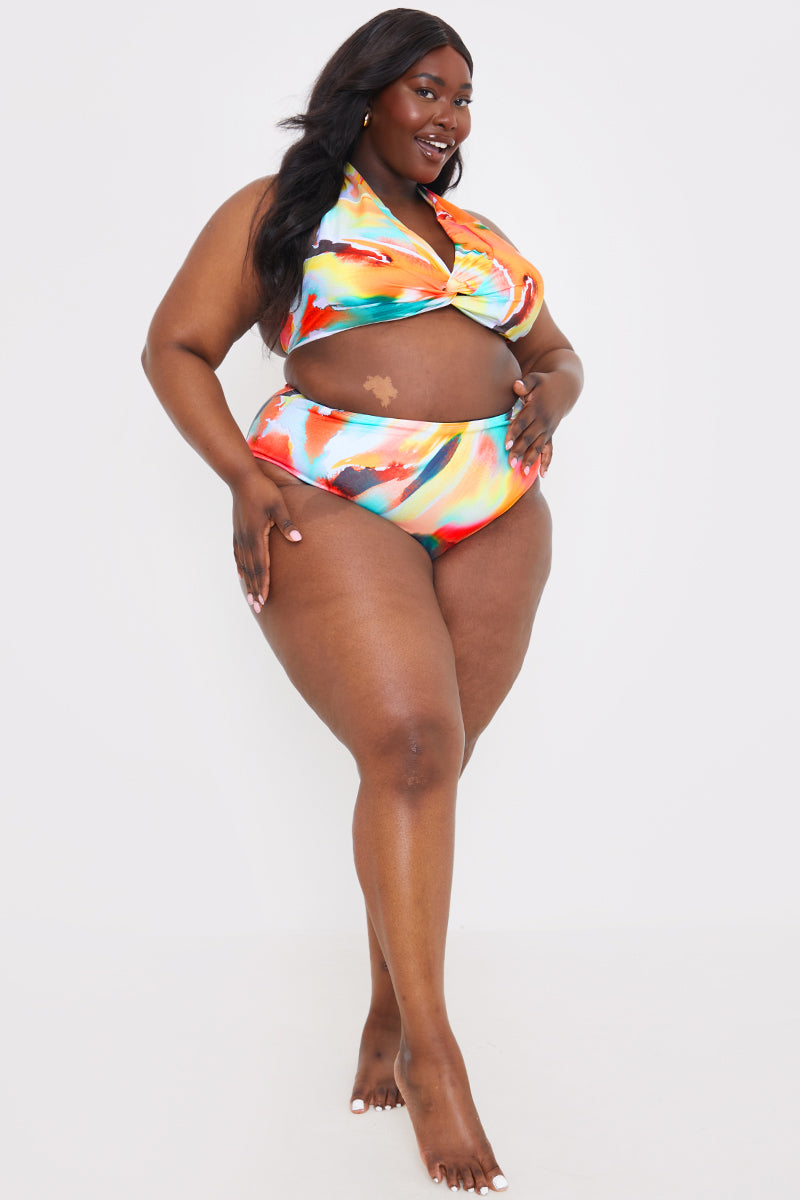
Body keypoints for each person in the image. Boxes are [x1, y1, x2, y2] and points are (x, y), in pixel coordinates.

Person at [141, 8, 583, 1193]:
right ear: (367, 92)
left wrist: (551, 390)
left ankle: (387, 1004)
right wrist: (240, 476)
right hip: (335, 495)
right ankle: (433, 1057)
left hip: (494, 507)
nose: (450, 117)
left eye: (462, 97)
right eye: (426, 91)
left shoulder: (476, 236)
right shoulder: (280, 210)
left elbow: (557, 352)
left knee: (431, 765)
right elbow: (175, 347)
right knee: (408, 743)